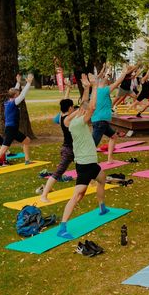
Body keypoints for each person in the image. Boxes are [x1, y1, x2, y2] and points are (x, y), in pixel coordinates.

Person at [57, 75, 111, 237]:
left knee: (102, 179)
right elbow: (91, 107)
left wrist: (87, 88)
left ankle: (102, 207)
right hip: (85, 165)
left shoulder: (68, 121)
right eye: (84, 111)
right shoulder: (79, 122)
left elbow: (86, 104)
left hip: (91, 164)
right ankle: (62, 228)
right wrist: (94, 86)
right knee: (77, 195)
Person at [42, 74, 105, 206]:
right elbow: (84, 106)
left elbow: (80, 104)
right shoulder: (68, 119)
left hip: (75, 148)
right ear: (70, 108)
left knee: (85, 167)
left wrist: (83, 88)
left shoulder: (62, 115)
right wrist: (88, 89)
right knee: (59, 172)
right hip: (69, 150)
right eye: (72, 107)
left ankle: (92, 181)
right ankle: (44, 195)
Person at [0, 74, 34, 172]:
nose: (19, 94)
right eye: (17, 93)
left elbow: (14, 92)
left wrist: (18, 82)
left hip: (13, 129)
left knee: (27, 141)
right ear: (15, 96)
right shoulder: (13, 103)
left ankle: (27, 160)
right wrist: (29, 83)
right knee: (3, 149)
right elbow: (22, 95)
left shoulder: (9, 101)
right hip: (10, 130)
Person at [91, 64, 133, 160]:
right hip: (100, 122)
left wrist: (108, 70)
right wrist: (124, 71)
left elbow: (105, 78)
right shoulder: (105, 90)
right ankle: (85, 162)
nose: (107, 81)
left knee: (113, 136)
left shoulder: (95, 91)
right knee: (92, 145)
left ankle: (110, 158)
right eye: (106, 81)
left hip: (100, 121)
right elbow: (118, 82)